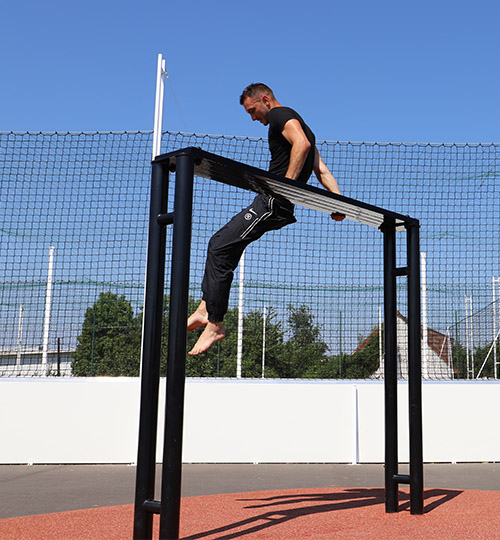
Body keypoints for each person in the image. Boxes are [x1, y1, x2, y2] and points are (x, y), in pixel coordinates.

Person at [187, 83, 344, 356]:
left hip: (273, 201)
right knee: (228, 247)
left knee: (219, 244)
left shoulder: (278, 116)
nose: (253, 118)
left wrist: (285, 186)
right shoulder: (303, 125)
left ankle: (215, 324)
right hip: (275, 201)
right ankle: (206, 308)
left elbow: (302, 145)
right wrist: (337, 200)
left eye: (253, 110)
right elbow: (321, 169)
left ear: (265, 99)